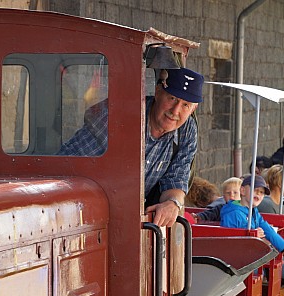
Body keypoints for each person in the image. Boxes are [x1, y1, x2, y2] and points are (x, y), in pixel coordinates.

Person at [60, 67, 204, 227]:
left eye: (185, 105)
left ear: (193, 109)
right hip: (82, 213)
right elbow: (70, 167)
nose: (175, 111)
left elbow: (176, 179)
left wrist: (172, 203)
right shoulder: (122, 115)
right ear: (157, 92)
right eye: (171, 98)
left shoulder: (187, 129)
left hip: (126, 219)